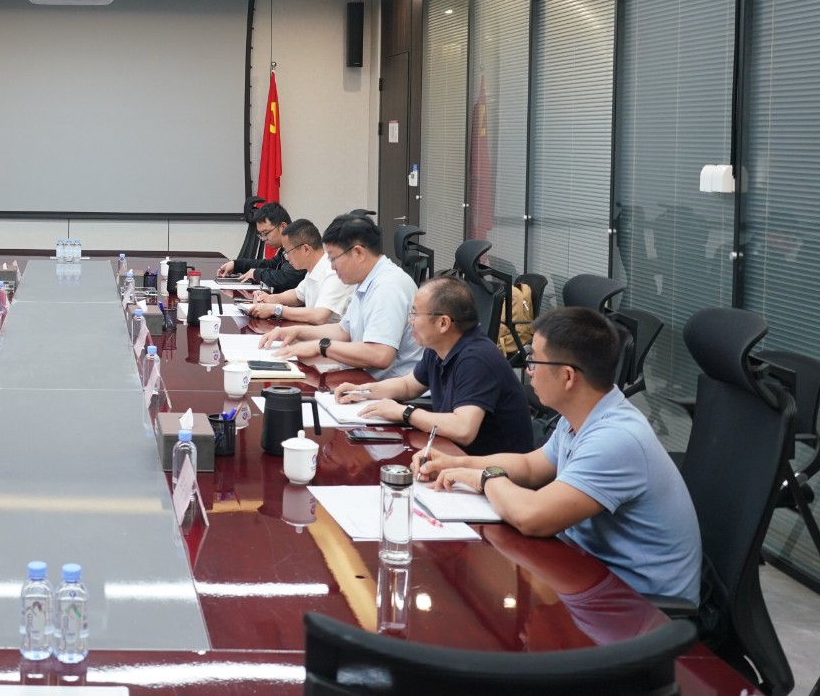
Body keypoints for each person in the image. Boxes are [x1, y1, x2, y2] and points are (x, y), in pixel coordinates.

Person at [422, 306, 702, 602]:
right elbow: (531, 466)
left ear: (568, 376)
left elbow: (531, 516)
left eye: (534, 360)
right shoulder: (582, 415)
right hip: (589, 571)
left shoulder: (615, 439)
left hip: (637, 603)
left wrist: (485, 477)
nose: (529, 371)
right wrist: (456, 463)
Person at [333, 276, 533, 455]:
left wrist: (404, 412)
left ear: (443, 323)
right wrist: (363, 391)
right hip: (455, 457)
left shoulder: (477, 359)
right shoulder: (438, 347)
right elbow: (408, 386)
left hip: (495, 472)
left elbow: (464, 429)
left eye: (415, 313)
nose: (410, 321)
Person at [260, 214, 420, 379]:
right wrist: (296, 331)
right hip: (364, 378)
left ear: (358, 253)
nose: (332, 267)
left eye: (333, 258)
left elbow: (380, 355)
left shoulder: (387, 286)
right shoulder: (366, 280)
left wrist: (321, 346)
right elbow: (344, 331)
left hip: (389, 388)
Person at [244, 219, 352, 325]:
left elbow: (319, 316)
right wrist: (271, 298)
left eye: (288, 251)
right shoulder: (314, 268)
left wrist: (276, 309)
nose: (286, 257)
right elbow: (297, 295)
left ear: (306, 249)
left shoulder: (333, 272)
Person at [216, 201, 304, 292]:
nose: (263, 239)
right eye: (261, 234)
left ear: (283, 227)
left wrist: (257, 274)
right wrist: (237, 264)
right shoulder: (286, 247)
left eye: (266, 233)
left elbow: (288, 277)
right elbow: (271, 265)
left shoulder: (299, 246)